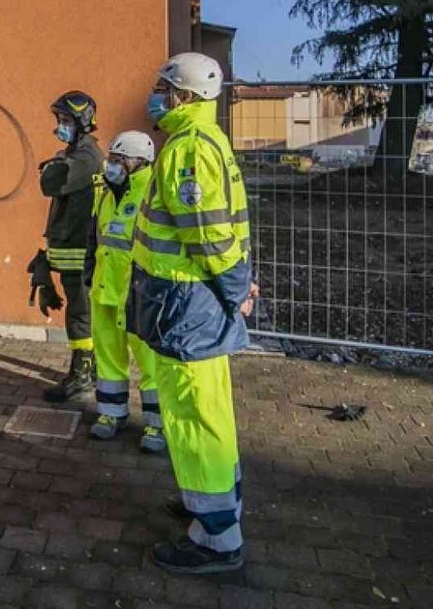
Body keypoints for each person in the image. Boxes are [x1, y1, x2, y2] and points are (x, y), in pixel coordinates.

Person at [130, 51, 256, 575]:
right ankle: (213, 504)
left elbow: (206, 230)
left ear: (182, 94)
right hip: (195, 299)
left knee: (193, 414)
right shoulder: (204, 140)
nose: (154, 94)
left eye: (161, 86)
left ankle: (217, 539)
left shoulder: (188, 148)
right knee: (209, 410)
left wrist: (235, 289)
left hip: (189, 302)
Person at [83, 130, 164, 453]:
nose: (111, 166)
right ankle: (110, 414)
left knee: (150, 361)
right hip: (105, 289)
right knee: (108, 357)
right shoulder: (106, 193)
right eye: (111, 160)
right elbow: (96, 236)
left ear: (137, 162)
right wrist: (90, 274)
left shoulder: (151, 196)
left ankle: (157, 425)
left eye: (118, 160)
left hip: (137, 293)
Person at [37, 91, 105, 402]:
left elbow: (50, 182)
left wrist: (54, 164)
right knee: (82, 313)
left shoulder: (86, 156)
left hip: (79, 249)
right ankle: (90, 371)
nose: (60, 126)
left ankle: (82, 375)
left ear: (81, 122)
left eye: (65, 121)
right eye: (59, 120)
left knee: (81, 316)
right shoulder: (76, 152)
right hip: (72, 246)